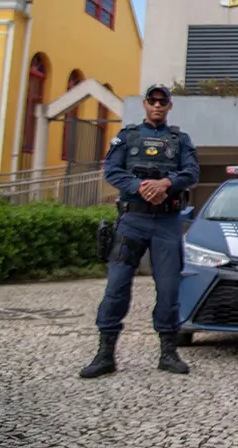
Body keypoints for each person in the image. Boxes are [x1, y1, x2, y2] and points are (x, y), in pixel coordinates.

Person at [80, 84, 200, 379]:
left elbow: (192, 172)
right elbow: (112, 170)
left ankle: (168, 352)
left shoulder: (180, 140)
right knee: (117, 287)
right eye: (153, 101)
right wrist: (141, 188)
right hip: (132, 220)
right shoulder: (126, 136)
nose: (158, 105)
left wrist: (166, 185)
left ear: (169, 106)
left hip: (167, 223)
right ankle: (105, 353)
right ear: (145, 104)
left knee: (170, 288)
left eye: (163, 101)